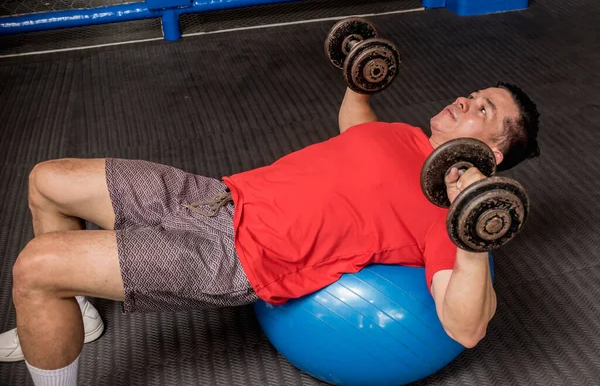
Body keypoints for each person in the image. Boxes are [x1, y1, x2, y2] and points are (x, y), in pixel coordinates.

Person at [0, 82, 539, 386]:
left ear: (489, 153)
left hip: (233, 253)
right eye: (472, 93)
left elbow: (466, 328)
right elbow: (356, 128)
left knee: (37, 268)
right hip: (217, 196)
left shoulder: (445, 210)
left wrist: (473, 233)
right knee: (47, 179)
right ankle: (80, 317)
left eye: (483, 108)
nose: (465, 100)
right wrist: (359, 81)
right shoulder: (405, 136)